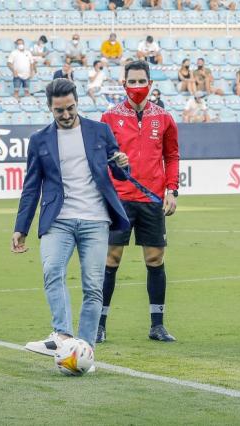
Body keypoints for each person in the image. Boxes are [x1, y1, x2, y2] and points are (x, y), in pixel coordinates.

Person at [12, 78, 130, 361]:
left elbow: (120, 172)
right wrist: (21, 228)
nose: (66, 115)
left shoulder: (100, 131)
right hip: (58, 219)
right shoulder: (39, 140)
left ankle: (85, 350)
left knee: (92, 286)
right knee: (52, 271)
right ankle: (62, 336)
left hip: (95, 219)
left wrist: (124, 165)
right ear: (49, 108)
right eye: (59, 111)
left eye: (70, 108)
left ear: (77, 102)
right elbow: (31, 187)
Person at [98, 60, 180, 344]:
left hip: (152, 199)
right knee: (111, 259)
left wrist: (172, 190)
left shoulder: (165, 118)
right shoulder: (108, 118)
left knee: (155, 259)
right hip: (119, 199)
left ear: (151, 83)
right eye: (131, 82)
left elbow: (171, 156)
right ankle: (100, 324)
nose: (136, 87)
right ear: (123, 84)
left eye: (141, 81)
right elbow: (100, 158)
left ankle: (157, 325)